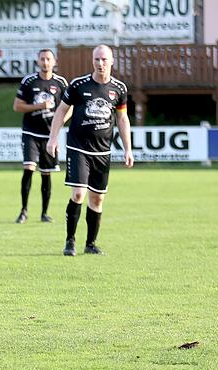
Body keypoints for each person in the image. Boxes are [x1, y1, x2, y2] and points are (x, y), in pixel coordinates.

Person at [47, 44, 134, 256]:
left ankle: (91, 243)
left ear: (112, 61)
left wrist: (127, 149)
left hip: (103, 152)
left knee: (97, 199)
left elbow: (122, 119)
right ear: (92, 61)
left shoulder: (119, 89)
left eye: (104, 59)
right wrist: (53, 138)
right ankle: (70, 241)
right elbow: (61, 111)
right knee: (78, 194)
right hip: (79, 149)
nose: (100, 63)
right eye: (97, 59)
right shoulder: (78, 85)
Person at [13, 49, 69, 224]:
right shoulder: (29, 81)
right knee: (29, 169)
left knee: (46, 174)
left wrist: (58, 125)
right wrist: (39, 106)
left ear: (54, 61)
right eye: (42, 59)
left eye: (48, 59)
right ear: (38, 61)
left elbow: (70, 107)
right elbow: (17, 106)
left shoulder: (60, 82)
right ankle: (23, 211)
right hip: (30, 133)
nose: (45, 62)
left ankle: (44, 213)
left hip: (49, 135)